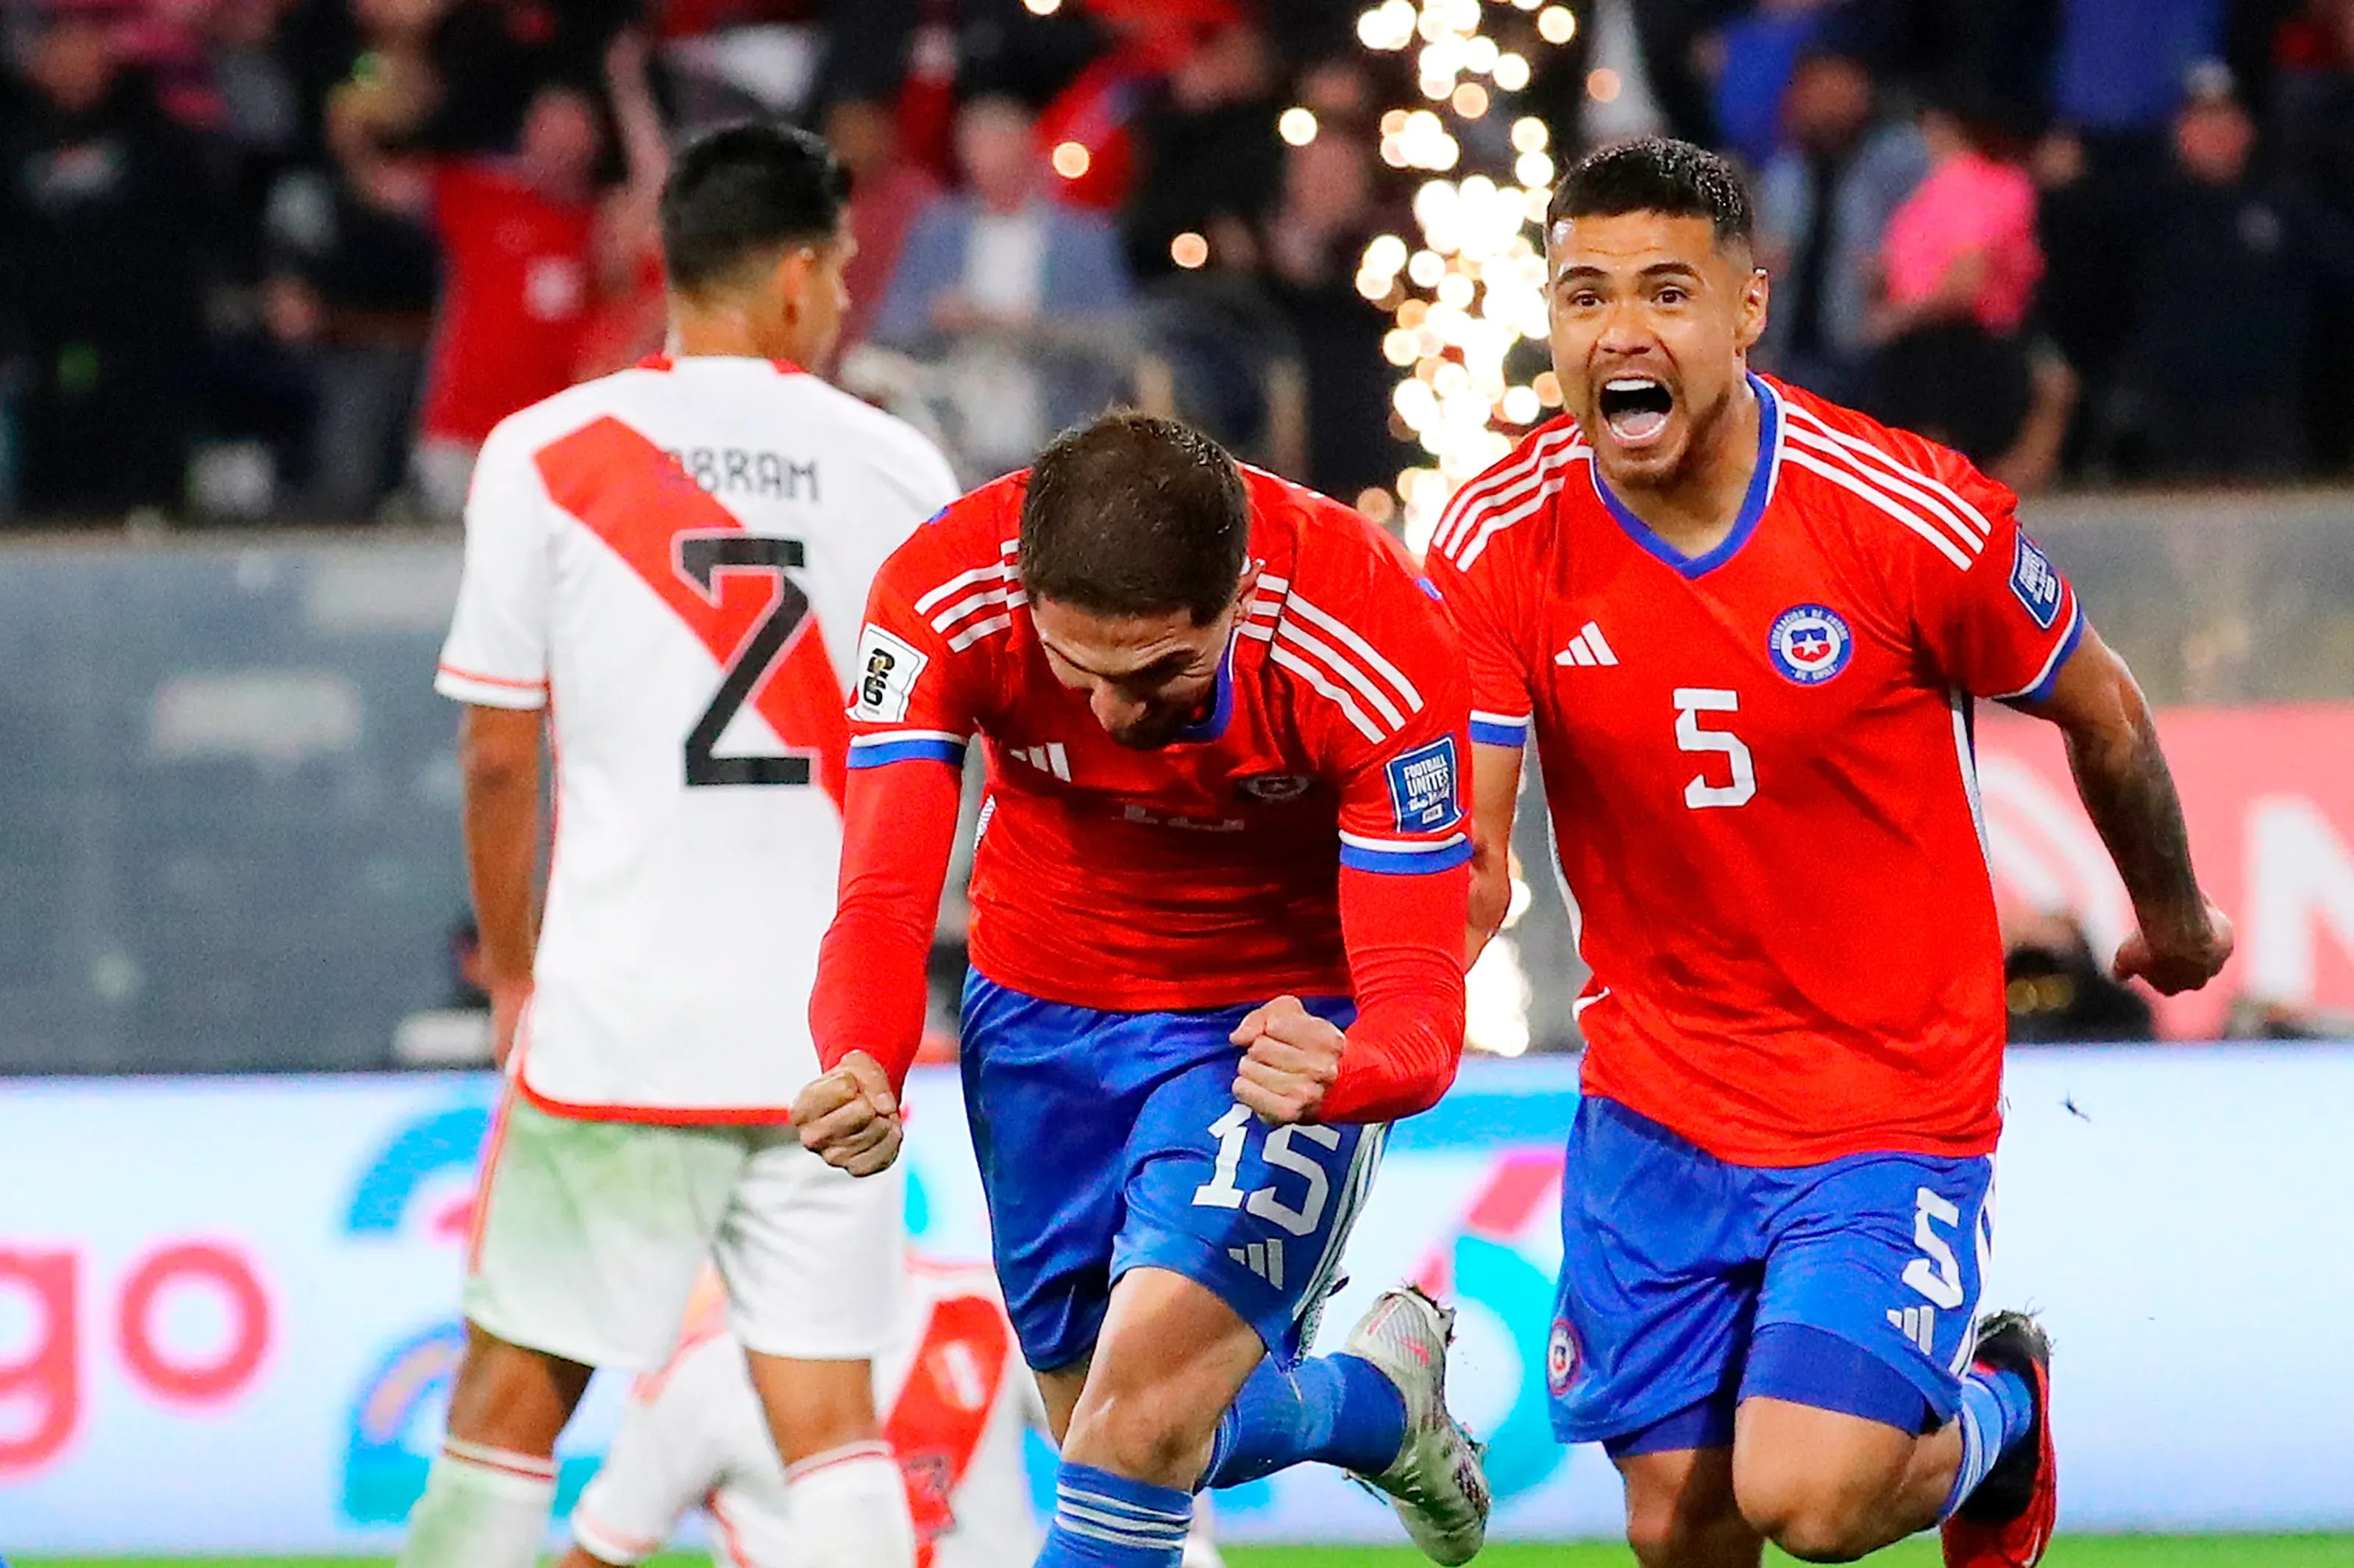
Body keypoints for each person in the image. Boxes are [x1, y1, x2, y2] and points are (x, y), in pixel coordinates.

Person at [1426, 138, 2234, 1568]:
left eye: (1665, 292)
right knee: (1680, 1524)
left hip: (1885, 1096)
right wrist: (1369, 987)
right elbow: (1469, 854)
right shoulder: (1499, 534)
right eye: (1582, 294)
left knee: (1808, 1495)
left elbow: (2101, 705)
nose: (1619, 331)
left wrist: (2171, 918)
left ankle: (1999, 1417)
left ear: (1747, 309)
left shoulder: (1897, 514)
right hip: (1654, 1098)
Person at [792, 410, 1493, 1568]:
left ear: (1240, 594)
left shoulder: (1368, 631)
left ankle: (1366, 1404)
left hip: (1270, 1029)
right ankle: (1374, 1404)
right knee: (1108, 1437)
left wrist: (1352, 1066)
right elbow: (878, 898)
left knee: (1139, 1429)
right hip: (1036, 1014)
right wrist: (860, 1051)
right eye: (1080, 672)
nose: (1117, 715)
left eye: (1164, 671)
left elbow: (1420, 995)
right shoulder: (939, 591)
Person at [403, 122, 962, 1568]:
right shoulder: (896, 468)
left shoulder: (545, 453)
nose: (843, 300)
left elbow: (496, 749)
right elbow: (940, 751)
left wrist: (514, 970)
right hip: (827, 1034)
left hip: (623, 1014)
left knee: (512, 1401)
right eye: (838, 271)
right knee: (830, 1417)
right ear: (791, 276)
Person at [561, 1255, 1228, 1568]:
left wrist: (1188, 1546)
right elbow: (605, 1547)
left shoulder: (982, 1310)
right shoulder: (700, 1377)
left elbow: (1133, 1435)